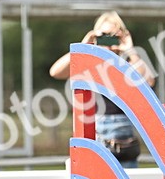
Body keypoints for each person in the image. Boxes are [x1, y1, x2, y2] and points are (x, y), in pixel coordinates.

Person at [49, 11, 155, 168]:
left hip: (123, 140)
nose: (109, 40)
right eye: (104, 35)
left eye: (113, 35)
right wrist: (83, 47)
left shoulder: (127, 63)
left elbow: (148, 81)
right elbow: (56, 72)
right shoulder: (90, 64)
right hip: (96, 134)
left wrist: (130, 50)